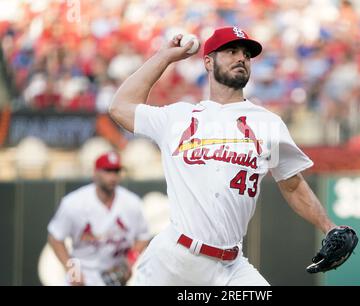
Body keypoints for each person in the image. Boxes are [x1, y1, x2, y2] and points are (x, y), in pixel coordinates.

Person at [109, 26, 337, 285]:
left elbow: (293, 185)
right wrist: (165, 57)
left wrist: (329, 227)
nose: (241, 58)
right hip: (174, 260)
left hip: (231, 265)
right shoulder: (177, 117)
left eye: (246, 55)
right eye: (231, 51)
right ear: (208, 61)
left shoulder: (268, 125)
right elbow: (120, 107)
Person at [47, 151, 151, 286]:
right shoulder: (74, 203)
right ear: (95, 173)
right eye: (108, 171)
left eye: (116, 171)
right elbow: (55, 237)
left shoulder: (131, 203)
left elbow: (143, 236)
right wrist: (71, 269)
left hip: (114, 275)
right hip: (83, 272)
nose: (113, 177)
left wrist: (129, 262)